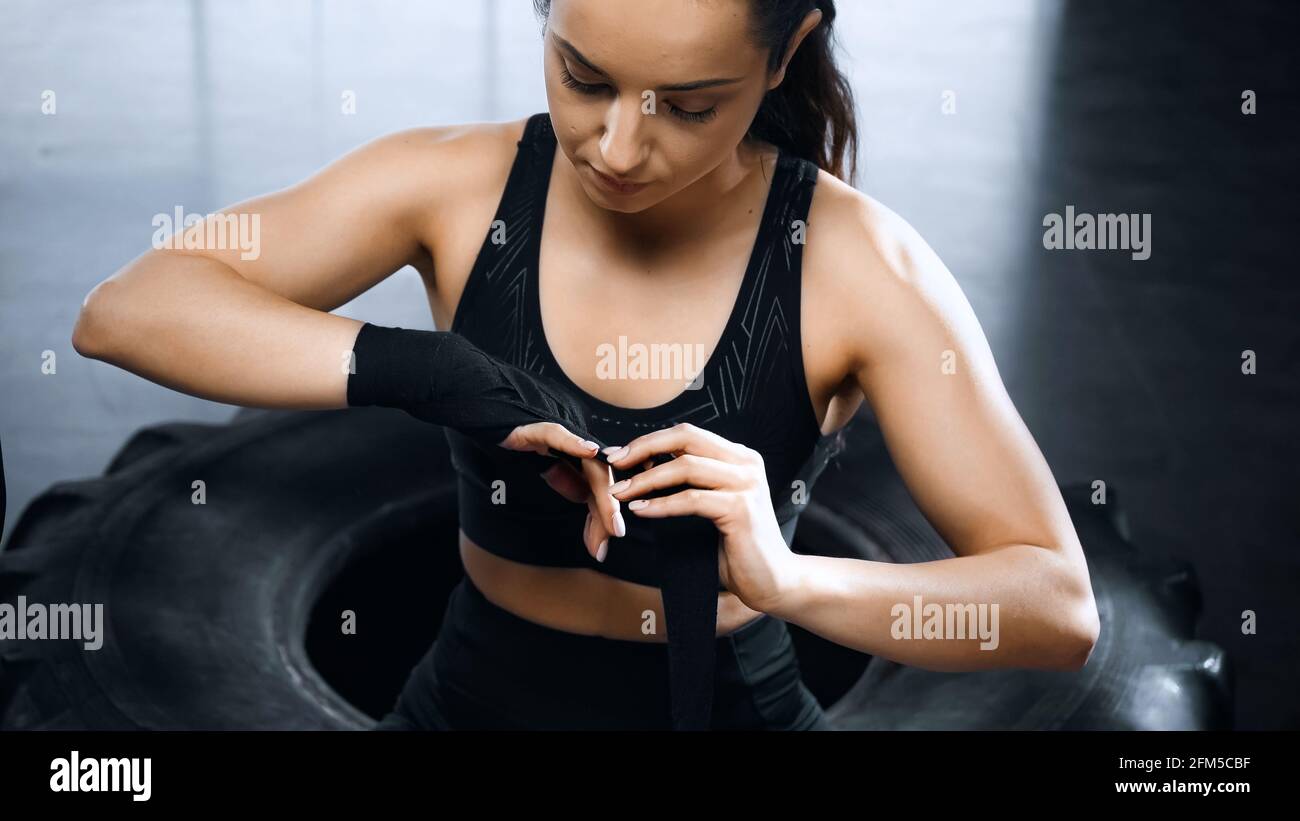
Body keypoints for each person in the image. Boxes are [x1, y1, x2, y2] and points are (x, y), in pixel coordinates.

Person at [71, 0, 1100, 731]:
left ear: (785, 51)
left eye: (688, 105)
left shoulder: (861, 266)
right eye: (583, 77)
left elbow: (1056, 609)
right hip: (468, 697)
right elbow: (130, 310)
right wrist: (428, 369)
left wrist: (788, 579)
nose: (613, 145)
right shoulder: (449, 186)